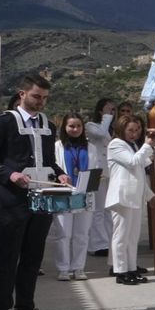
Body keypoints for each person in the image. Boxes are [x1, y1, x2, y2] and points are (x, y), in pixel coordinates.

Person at [0, 75, 69, 310]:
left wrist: (59, 174)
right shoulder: (3, 122)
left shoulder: (48, 125)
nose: (41, 102)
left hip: (41, 200)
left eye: (45, 98)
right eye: (37, 96)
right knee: (7, 259)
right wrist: (9, 175)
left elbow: (48, 161)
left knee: (32, 259)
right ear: (22, 94)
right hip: (13, 202)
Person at [105, 115, 155, 286]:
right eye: (130, 130)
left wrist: (150, 195)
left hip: (134, 196)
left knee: (132, 236)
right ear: (122, 129)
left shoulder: (134, 145)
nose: (134, 134)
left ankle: (131, 267)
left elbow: (141, 173)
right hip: (121, 196)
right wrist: (147, 145)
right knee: (121, 235)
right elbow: (133, 163)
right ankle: (120, 270)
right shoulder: (116, 144)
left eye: (137, 130)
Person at [52, 112, 101, 282]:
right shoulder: (57, 146)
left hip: (85, 194)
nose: (75, 129)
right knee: (63, 234)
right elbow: (53, 170)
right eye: (71, 126)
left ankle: (78, 267)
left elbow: (95, 169)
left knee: (82, 234)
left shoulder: (91, 147)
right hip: (64, 195)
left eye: (78, 126)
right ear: (64, 127)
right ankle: (63, 268)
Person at [84, 99, 118, 257]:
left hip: (111, 171)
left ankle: (109, 241)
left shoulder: (113, 128)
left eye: (113, 109)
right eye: (108, 108)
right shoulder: (92, 125)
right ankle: (98, 244)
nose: (111, 111)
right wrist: (107, 118)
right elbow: (100, 134)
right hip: (97, 170)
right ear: (100, 111)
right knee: (97, 209)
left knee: (108, 209)